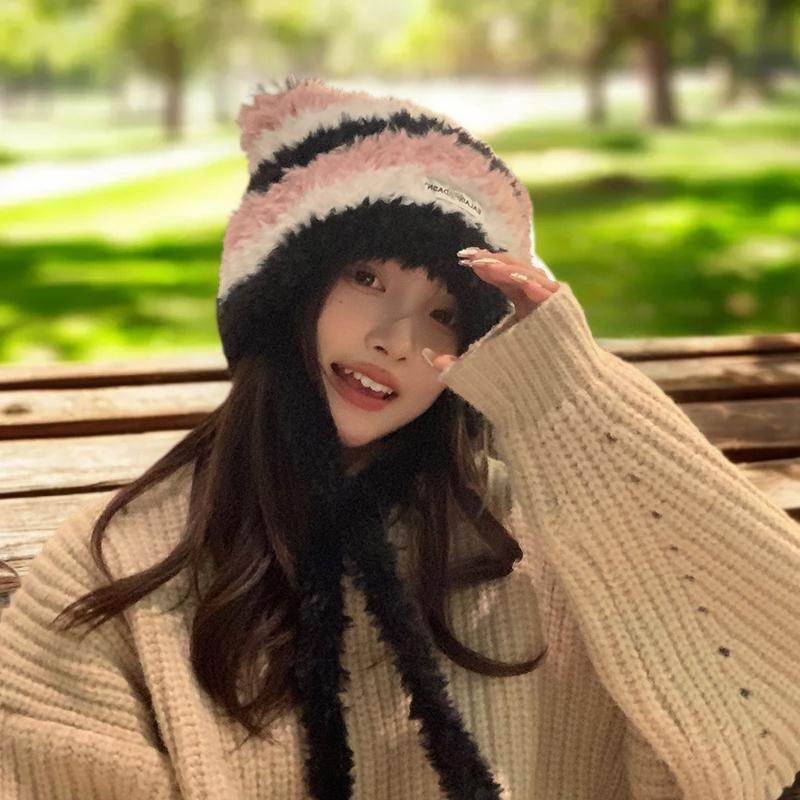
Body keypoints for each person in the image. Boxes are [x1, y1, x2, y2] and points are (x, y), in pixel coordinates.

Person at [1, 75, 799, 800]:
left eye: (445, 313)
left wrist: (572, 399)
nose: (396, 338)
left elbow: (767, 699)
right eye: (366, 277)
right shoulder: (121, 562)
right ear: (284, 290)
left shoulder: (543, 548)